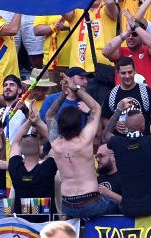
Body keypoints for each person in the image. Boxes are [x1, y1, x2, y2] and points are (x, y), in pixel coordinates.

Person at [51, 79, 109, 218]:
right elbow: (96, 108)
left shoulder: (55, 143)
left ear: (60, 125)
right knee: (121, 202)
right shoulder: (85, 140)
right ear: (79, 124)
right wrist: (76, 89)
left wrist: (63, 94)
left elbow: (49, 115)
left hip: (68, 205)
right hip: (91, 204)